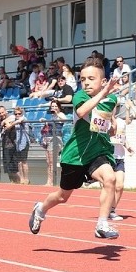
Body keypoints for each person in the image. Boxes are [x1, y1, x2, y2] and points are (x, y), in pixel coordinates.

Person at [28, 57, 122, 239]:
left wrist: (112, 124)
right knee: (63, 196)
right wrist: (103, 94)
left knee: (110, 179)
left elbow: (106, 125)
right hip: (76, 155)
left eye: (91, 79)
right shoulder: (80, 96)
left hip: (97, 152)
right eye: (83, 79)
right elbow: (81, 112)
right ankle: (40, 208)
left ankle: (102, 223)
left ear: (103, 81)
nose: (86, 83)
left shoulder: (112, 99)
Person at [108, 106, 134, 220]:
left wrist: (128, 146)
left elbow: (122, 137)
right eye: (112, 107)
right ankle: (106, 209)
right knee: (109, 186)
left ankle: (112, 210)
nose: (114, 109)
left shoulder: (121, 122)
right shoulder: (103, 122)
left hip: (119, 157)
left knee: (120, 186)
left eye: (116, 107)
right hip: (107, 157)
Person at [39, 100, 68, 186]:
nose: (54, 108)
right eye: (52, 106)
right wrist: (45, 121)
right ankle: (49, 180)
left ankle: (51, 181)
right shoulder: (52, 116)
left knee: (52, 161)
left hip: (56, 139)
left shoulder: (60, 114)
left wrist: (57, 113)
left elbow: (65, 120)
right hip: (49, 138)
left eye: (55, 106)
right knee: (48, 162)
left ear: (59, 107)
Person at [0, 105, 21, 184]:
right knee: (7, 166)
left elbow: (12, 118)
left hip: (13, 144)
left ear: (6, 111)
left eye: (2, 112)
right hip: (5, 145)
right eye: (0, 113)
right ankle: (12, 182)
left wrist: (4, 121)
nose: (2, 114)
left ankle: (19, 182)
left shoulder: (11, 117)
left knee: (14, 167)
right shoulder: (0, 119)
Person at [11, 106, 31, 185]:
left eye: (19, 113)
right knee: (19, 162)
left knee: (24, 161)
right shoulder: (14, 120)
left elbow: (20, 120)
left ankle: (26, 179)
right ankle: (21, 179)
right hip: (18, 144)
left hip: (24, 142)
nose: (17, 115)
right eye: (16, 114)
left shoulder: (24, 119)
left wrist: (11, 124)